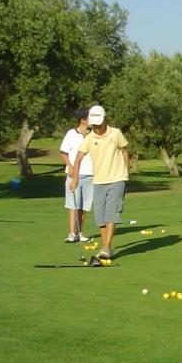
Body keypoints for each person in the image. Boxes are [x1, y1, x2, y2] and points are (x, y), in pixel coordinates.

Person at [69, 106, 129, 260]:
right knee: (100, 218)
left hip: (117, 178)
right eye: (93, 124)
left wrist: (126, 171)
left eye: (98, 124)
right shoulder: (89, 138)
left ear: (104, 120)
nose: (96, 127)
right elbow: (78, 158)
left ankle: (107, 247)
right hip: (99, 181)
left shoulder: (115, 133)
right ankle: (105, 246)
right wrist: (75, 178)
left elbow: (124, 150)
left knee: (111, 214)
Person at [59, 107, 93, 243]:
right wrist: (70, 166)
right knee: (73, 205)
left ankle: (80, 233)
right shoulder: (71, 134)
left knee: (84, 207)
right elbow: (63, 152)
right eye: (90, 117)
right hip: (74, 175)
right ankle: (72, 233)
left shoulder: (92, 134)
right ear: (83, 120)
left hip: (90, 174)